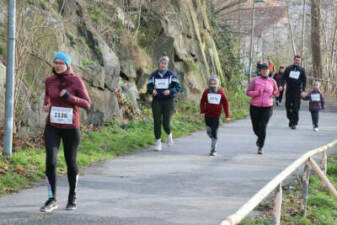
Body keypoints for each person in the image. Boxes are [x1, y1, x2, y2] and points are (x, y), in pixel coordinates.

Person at [41, 52, 91, 213]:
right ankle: (51, 198)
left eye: (61, 63)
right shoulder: (49, 80)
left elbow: (87, 104)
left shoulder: (76, 81)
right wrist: (46, 104)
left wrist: (70, 97)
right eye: (55, 62)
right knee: (51, 161)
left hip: (71, 128)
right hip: (52, 126)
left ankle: (72, 196)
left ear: (68, 65)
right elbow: (48, 97)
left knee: (71, 163)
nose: (58, 65)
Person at [147, 53, 181, 151]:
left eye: (165, 63)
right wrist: (151, 90)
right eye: (162, 63)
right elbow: (149, 86)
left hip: (168, 101)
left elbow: (177, 87)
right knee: (157, 121)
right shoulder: (153, 75)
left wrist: (170, 91)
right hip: (157, 101)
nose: (163, 65)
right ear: (159, 63)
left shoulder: (171, 75)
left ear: (167, 65)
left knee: (166, 122)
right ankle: (158, 143)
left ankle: (169, 134)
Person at [247, 63, 279, 154]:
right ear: (260, 71)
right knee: (255, 128)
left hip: (267, 107)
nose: (265, 71)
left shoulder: (272, 81)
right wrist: (257, 92)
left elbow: (276, 92)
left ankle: (260, 146)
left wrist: (275, 93)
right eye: (263, 69)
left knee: (263, 126)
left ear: (269, 71)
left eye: (266, 69)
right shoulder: (255, 80)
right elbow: (248, 92)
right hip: (255, 107)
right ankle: (260, 137)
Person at [200, 77, 230, 156]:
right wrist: (202, 112)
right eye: (211, 84)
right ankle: (213, 138)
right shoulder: (206, 92)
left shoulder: (220, 92)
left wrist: (227, 115)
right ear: (209, 84)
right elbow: (202, 102)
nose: (213, 85)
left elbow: (225, 103)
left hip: (216, 115)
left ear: (218, 84)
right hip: (207, 115)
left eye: (215, 84)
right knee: (208, 131)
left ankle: (213, 149)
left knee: (214, 131)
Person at [280, 55, 307, 130]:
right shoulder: (289, 68)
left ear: (300, 61)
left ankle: (294, 122)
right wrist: (281, 85)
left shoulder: (302, 70)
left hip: (297, 91)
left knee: (295, 107)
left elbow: (304, 80)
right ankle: (290, 118)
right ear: (294, 60)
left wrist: (303, 91)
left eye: (299, 60)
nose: (297, 61)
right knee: (288, 106)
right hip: (289, 91)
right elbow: (283, 78)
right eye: (296, 60)